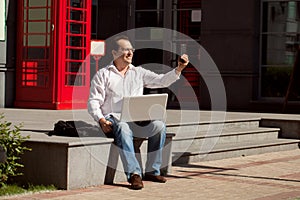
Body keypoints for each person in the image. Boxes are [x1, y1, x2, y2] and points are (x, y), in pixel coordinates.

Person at [87, 35, 189, 190]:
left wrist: (179, 69)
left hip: (136, 119)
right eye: (125, 49)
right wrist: (101, 120)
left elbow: (161, 80)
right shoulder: (103, 74)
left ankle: (152, 171)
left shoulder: (138, 72)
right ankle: (134, 174)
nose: (130, 53)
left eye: (131, 49)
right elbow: (94, 102)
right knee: (123, 127)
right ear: (114, 53)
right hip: (113, 120)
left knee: (159, 126)